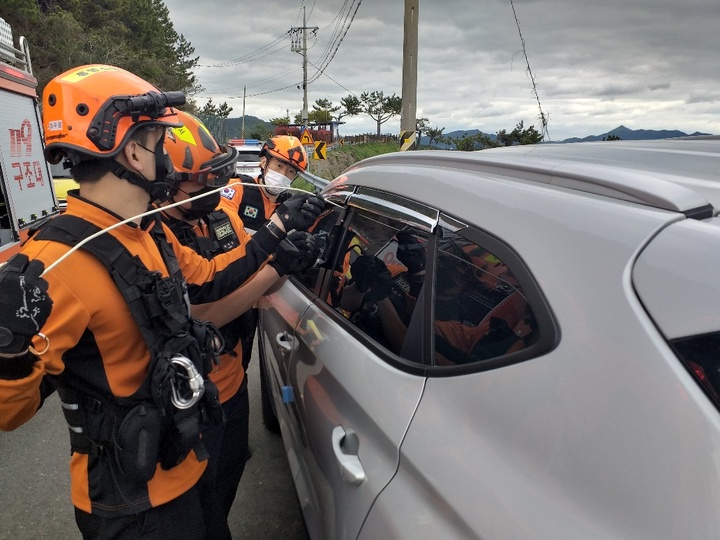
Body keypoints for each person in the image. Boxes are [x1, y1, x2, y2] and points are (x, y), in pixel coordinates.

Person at [0, 64, 323, 540]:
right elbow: (10, 413)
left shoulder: (145, 233)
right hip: (128, 503)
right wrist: (10, 349)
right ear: (132, 150)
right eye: (157, 143)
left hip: (181, 464)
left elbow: (213, 279)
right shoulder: (54, 264)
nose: (166, 161)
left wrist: (277, 236)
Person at [161, 111, 319, 539]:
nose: (214, 188)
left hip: (231, 381)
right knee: (200, 504)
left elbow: (243, 267)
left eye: (216, 178)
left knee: (227, 478)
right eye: (202, 181)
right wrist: (276, 254)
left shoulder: (221, 218)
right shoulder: (157, 236)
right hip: (192, 394)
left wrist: (288, 255)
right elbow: (206, 305)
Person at [222, 135, 310, 373]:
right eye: (279, 165)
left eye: (291, 172)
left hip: (261, 301)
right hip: (227, 293)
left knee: (242, 363)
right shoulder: (238, 190)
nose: (283, 175)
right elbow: (223, 239)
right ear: (264, 162)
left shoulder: (291, 207)